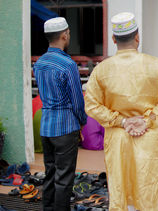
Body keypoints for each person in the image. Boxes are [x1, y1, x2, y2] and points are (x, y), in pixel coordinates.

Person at [84, 12, 158, 211]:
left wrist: (122, 122)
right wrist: (147, 120)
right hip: (149, 138)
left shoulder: (102, 69)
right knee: (150, 185)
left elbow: (92, 105)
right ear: (137, 36)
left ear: (113, 39)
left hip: (118, 138)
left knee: (120, 187)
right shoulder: (156, 64)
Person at [33, 17, 87, 211]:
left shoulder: (39, 63)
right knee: (64, 178)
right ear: (65, 35)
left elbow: (42, 94)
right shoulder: (68, 64)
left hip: (46, 125)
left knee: (50, 173)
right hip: (65, 127)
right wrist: (82, 122)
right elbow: (77, 101)